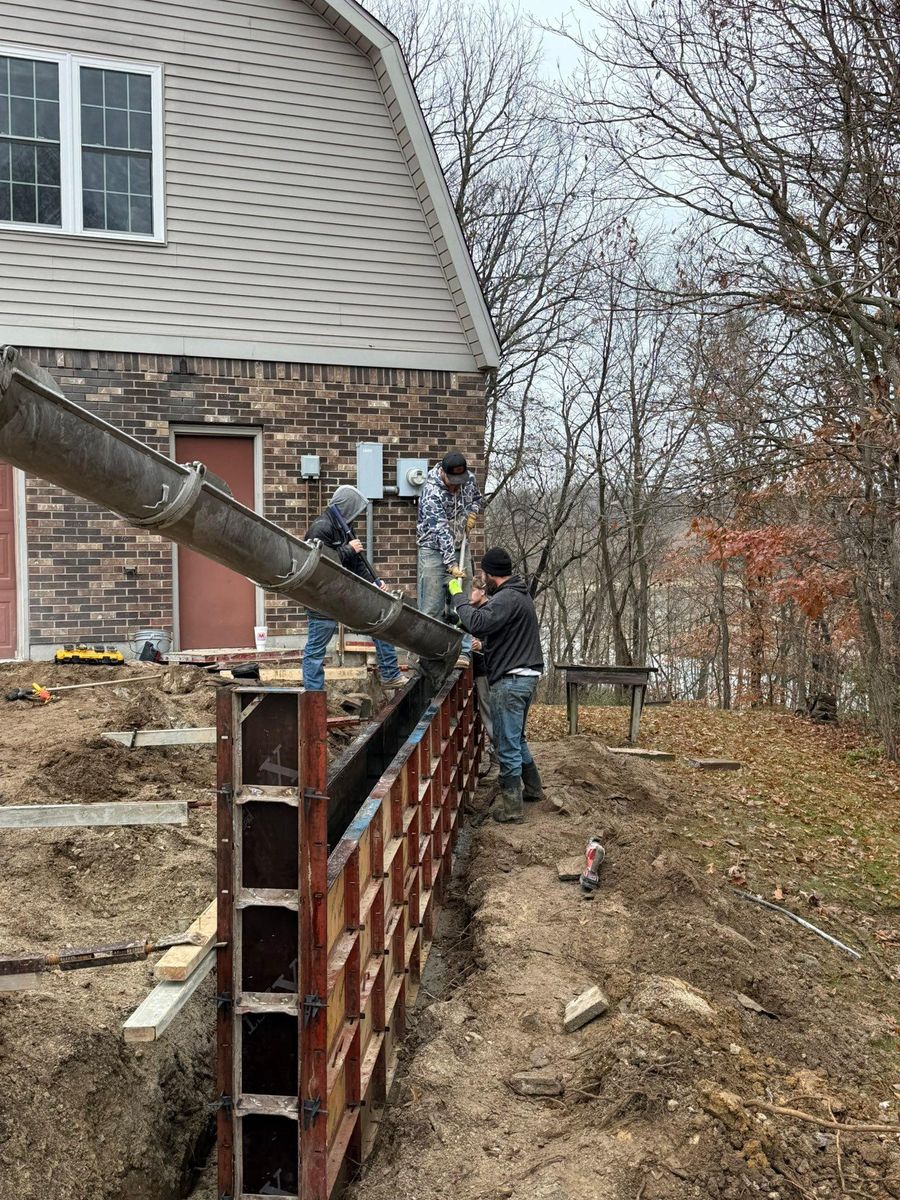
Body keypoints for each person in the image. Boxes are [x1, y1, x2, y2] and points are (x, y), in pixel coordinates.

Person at [448, 547, 544, 823]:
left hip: (511, 681)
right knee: (516, 738)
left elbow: (478, 622)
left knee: (506, 743)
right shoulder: (519, 595)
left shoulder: (507, 598)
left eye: (483, 573)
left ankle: (512, 809)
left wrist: (458, 597)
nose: (482, 578)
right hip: (525, 678)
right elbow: (498, 631)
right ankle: (534, 789)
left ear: (491, 575)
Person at [302, 484, 404, 692]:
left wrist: (374, 584)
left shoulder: (345, 526)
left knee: (379, 618)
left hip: (342, 592)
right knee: (316, 649)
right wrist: (348, 549)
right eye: (356, 510)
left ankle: (390, 674)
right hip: (321, 596)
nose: (357, 516)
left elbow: (358, 565)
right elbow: (318, 563)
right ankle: (314, 697)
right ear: (347, 507)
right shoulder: (321, 528)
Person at [416, 451, 483, 668]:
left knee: (463, 600)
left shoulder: (468, 479)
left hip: (460, 544)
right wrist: (451, 564)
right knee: (432, 605)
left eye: (459, 482)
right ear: (443, 473)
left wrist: (473, 512)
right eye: (452, 482)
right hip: (433, 550)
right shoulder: (431, 491)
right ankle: (430, 655)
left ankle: (463, 651)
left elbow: (476, 498)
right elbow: (440, 531)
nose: (456, 486)